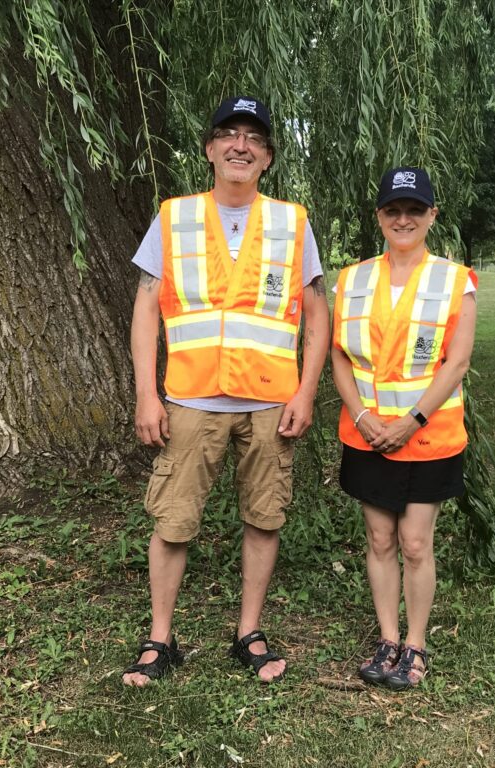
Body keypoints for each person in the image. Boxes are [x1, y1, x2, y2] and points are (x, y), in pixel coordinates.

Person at [123, 97, 329, 686]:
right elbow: (145, 312)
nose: (241, 146)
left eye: (254, 139)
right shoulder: (174, 217)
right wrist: (146, 394)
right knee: (172, 520)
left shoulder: (293, 223)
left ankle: (249, 632)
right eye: (229, 135)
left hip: (269, 402)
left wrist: (306, 392)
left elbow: (317, 314)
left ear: (267, 158)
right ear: (211, 149)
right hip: (190, 400)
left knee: (264, 518)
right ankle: (160, 638)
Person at [330, 167, 477, 690]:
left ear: (432, 215)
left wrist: (409, 421)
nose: (403, 218)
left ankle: (415, 644)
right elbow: (340, 356)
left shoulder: (454, 280)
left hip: (429, 437)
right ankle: (386, 639)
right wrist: (367, 419)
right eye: (393, 209)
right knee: (378, 536)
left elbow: (455, 365)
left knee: (415, 542)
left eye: (415, 209)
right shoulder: (352, 279)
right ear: (379, 217)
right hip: (367, 434)